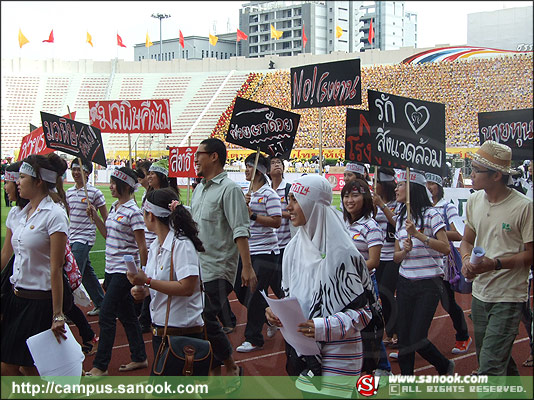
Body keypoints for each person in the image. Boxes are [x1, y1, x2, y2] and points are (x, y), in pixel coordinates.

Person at [265, 175, 373, 398]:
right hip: (304, 359)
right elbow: (291, 300)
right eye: (289, 199)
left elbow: (364, 313)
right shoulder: (293, 250)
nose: (289, 206)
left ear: (312, 203)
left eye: (295, 200)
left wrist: (322, 327)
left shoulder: (344, 254)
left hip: (338, 363)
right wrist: (276, 314)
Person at [460, 141, 533, 376]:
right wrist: (465, 259)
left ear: (496, 176)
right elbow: (467, 240)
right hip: (480, 294)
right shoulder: (474, 201)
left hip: (509, 296)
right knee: (495, 361)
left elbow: (531, 254)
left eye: (476, 169)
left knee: (490, 367)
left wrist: (496, 264)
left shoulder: (524, 207)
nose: (471, 173)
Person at [191, 138, 257, 378]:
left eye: (199, 154)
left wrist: (247, 267)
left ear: (214, 156)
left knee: (205, 316)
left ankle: (230, 364)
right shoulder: (199, 188)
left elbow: (240, 230)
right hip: (197, 268)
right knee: (199, 321)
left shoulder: (230, 190)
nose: (195, 158)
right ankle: (214, 370)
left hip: (219, 268)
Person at [1, 154, 69, 375]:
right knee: (26, 368)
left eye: (21, 177)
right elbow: (8, 254)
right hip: (16, 298)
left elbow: (56, 267)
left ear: (38, 181)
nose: (17, 182)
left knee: (11, 365)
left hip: (38, 302)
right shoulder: (22, 214)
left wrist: (57, 313)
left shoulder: (54, 215)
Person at [126, 188, 206, 369]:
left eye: (144, 213)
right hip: (162, 332)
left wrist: (147, 282)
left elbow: (187, 287)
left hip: (183, 334)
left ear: (151, 216)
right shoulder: (156, 246)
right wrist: (144, 290)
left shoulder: (182, 245)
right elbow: (159, 282)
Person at [85, 167, 148, 376]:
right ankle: (140, 357)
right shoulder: (114, 208)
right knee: (127, 316)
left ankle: (100, 365)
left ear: (124, 185)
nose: (110, 186)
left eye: (113, 183)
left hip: (124, 272)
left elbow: (142, 246)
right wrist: (95, 218)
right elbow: (108, 236)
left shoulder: (134, 212)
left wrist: (141, 275)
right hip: (111, 270)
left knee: (106, 314)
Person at [393, 169, 454, 375]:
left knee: (418, 338)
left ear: (412, 189)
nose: (396, 188)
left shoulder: (431, 214)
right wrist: (404, 251)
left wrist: (418, 235)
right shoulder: (400, 217)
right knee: (404, 338)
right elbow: (396, 256)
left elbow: (445, 247)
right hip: (404, 282)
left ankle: (444, 365)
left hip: (428, 284)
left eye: (400, 184)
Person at [341, 178, 392, 376]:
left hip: (364, 285)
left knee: (369, 328)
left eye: (355, 195)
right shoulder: (343, 224)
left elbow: (374, 261)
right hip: (344, 284)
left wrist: (351, 272)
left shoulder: (371, 226)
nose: (349, 200)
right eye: (346, 195)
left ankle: (383, 367)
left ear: (365, 199)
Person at [234, 153, 281, 353]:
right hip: (247, 250)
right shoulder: (245, 191)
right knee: (239, 288)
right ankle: (269, 315)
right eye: (245, 166)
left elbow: (276, 221)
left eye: (249, 167)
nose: (246, 170)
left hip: (265, 251)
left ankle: (254, 338)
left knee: (253, 293)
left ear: (260, 171)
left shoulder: (269, 194)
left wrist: (252, 215)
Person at [426, 172, 472, 355]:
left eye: (433, 184)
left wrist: (436, 233)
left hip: (444, 263)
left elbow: (459, 234)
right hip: (426, 260)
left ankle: (463, 336)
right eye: (427, 183)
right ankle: (412, 341)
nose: (429, 187)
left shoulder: (447, 207)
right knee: (424, 303)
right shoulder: (422, 208)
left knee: (448, 303)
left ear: (440, 187)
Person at [65, 159, 107, 317]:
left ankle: (67, 311)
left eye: (80, 170)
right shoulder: (69, 193)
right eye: (74, 169)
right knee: (87, 273)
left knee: (72, 275)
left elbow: (105, 216)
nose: (76, 172)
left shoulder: (94, 193)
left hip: (84, 238)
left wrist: (95, 217)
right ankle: (101, 302)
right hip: (72, 237)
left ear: (88, 173)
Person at [372, 167, 400, 348]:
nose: (374, 186)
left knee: (387, 292)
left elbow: (399, 223)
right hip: (379, 255)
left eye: (377, 183)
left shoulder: (399, 203)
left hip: (393, 255)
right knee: (382, 295)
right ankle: (391, 331)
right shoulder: (375, 202)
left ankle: (397, 331)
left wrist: (382, 205)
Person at [1, 162, 29, 321]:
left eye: (7, 182)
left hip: (37, 290)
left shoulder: (45, 212)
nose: (5, 187)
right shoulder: (13, 213)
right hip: (17, 281)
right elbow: (6, 252)